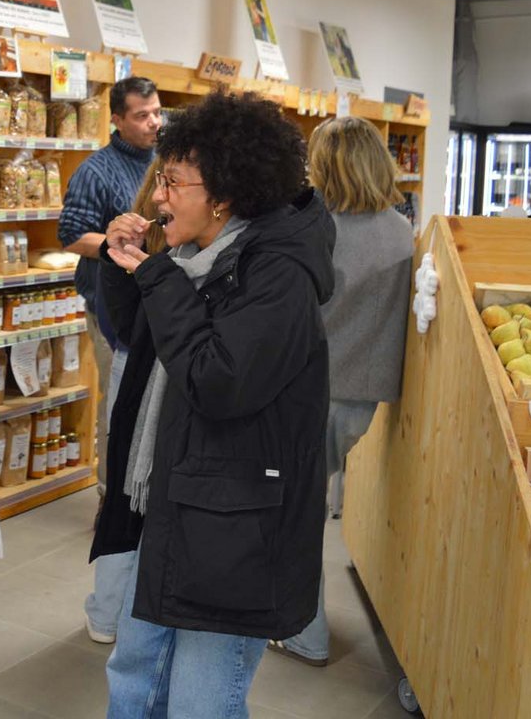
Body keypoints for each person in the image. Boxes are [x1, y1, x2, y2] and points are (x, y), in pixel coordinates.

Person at [94, 91, 335, 718]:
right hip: (178, 496)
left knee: (201, 701)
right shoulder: (193, 256)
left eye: (172, 182)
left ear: (224, 194)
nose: (158, 197)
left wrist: (156, 277)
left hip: (237, 522)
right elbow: (143, 340)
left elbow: (219, 381)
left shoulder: (277, 274)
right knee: (135, 672)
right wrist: (124, 268)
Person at [274, 116, 413, 667]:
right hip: (365, 394)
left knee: (295, 512)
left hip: (313, 390)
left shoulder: (318, 231)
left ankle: (304, 631)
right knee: (308, 502)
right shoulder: (401, 229)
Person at [59, 76, 162, 643]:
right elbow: (71, 234)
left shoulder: (163, 162)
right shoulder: (96, 171)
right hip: (111, 307)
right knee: (117, 407)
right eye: (142, 115)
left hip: (150, 304)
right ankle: (110, 499)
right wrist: (117, 247)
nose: (153, 122)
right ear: (118, 119)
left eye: (157, 112)